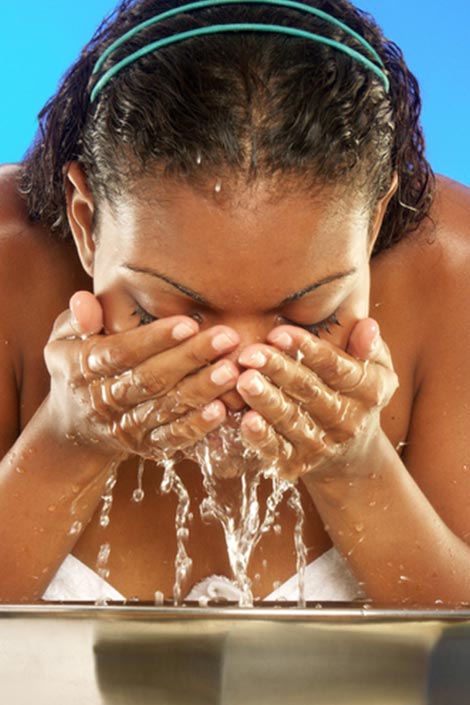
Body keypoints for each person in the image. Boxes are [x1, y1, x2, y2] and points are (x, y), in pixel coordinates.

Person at [0, 0, 469, 605]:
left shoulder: (454, 275)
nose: (240, 374)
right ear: (87, 224)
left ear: (374, 223)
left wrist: (355, 468)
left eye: (311, 316)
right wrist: (68, 441)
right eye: (165, 311)